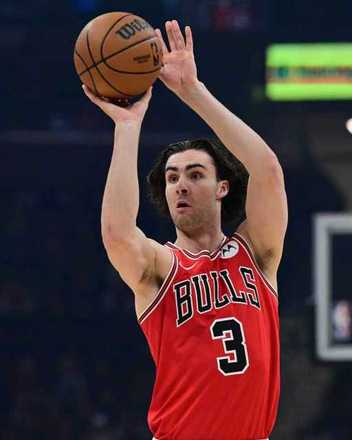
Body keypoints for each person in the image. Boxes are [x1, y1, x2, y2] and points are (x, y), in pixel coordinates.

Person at [82, 20, 287, 440]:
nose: (180, 185)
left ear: (222, 188)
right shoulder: (161, 267)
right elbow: (117, 233)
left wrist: (193, 91)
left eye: (195, 174)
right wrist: (127, 127)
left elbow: (267, 170)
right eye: (172, 177)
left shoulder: (256, 253)